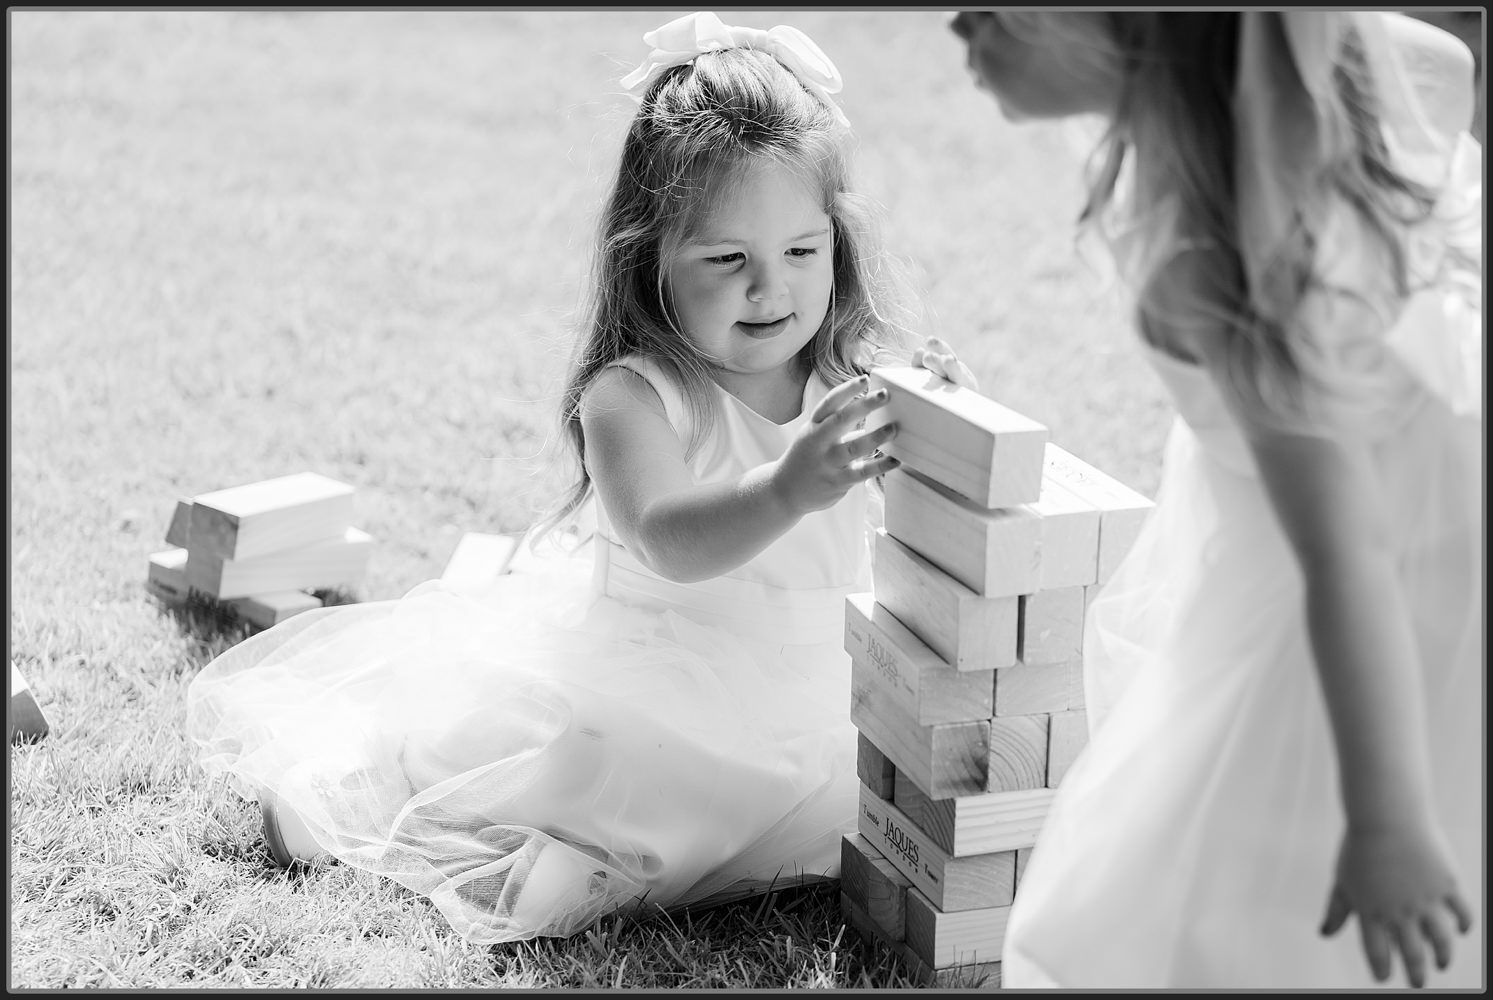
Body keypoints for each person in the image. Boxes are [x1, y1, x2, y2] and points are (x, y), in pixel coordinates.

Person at [186, 10, 971, 945]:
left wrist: (947, 428)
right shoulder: (636, 398)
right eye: (728, 260)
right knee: (615, 761)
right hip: (661, 668)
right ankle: (376, 795)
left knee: (881, 780)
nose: (773, 289)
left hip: (816, 683)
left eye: (802, 252)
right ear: (651, 259)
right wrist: (790, 486)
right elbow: (670, 538)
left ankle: (615, 846)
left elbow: (935, 525)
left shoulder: (845, 377)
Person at [948, 10, 1482, 990]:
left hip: (1369, 588)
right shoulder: (1314, 113)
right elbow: (1444, 61)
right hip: (1416, 515)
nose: (957, 23)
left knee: (1218, 895)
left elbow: (1344, 552)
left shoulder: (1221, 255)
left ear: (1130, 32)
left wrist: (1384, 819)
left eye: (994, 10)